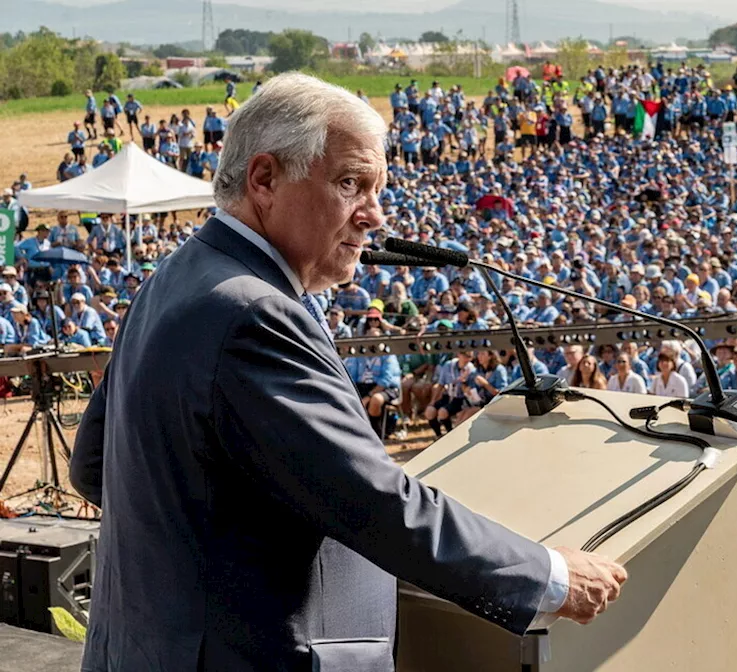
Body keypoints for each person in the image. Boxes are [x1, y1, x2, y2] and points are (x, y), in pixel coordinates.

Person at [69, 74, 624, 671]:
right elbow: (373, 505)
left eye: (376, 190)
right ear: (264, 180)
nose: (373, 216)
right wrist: (552, 577)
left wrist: (215, 540)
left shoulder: (176, 276)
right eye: (350, 184)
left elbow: (95, 465)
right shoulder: (255, 313)